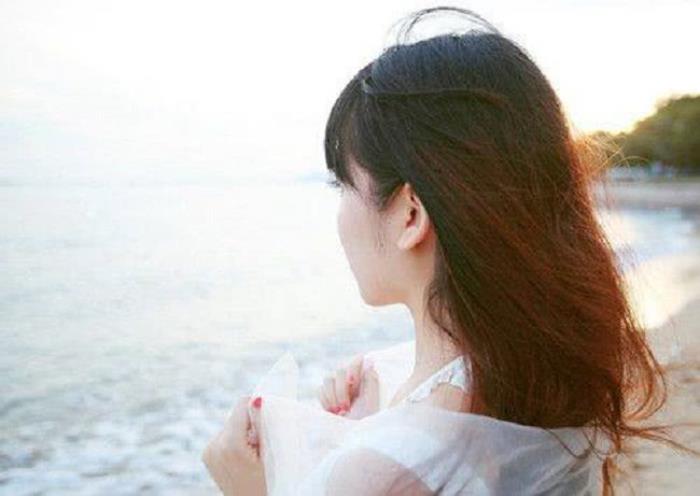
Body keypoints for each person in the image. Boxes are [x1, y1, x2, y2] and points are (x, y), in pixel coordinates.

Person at [201, 6, 697, 495]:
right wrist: (369, 421)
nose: (340, 212)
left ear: (410, 215)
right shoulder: (536, 375)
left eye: (343, 186)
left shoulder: (385, 468)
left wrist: (251, 490)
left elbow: (408, 464)